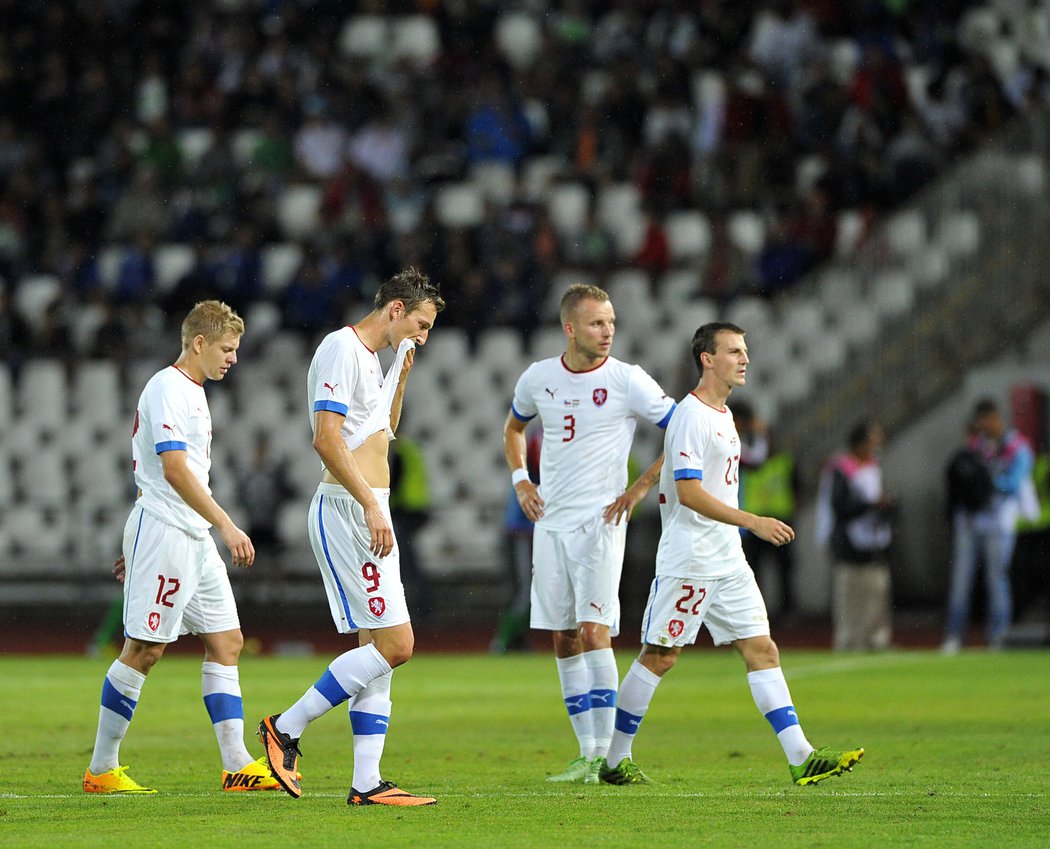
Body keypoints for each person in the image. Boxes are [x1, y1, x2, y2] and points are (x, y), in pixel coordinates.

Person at [603, 322, 863, 786]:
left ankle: (801, 756)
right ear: (707, 358)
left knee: (762, 649)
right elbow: (688, 491)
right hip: (691, 559)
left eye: (745, 350)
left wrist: (642, 486)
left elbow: (675, 464)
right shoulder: (692, 413)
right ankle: (613, 760)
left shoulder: (722, 415)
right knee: (660, 656)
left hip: (727, 560)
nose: (744, 359)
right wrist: (753, 520)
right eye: (734, 351)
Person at [257, 268, 443, 807]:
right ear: (395, 310)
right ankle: (284, 728)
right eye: (422, 325)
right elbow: (325, 437)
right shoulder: (341, 349)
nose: (424, 336)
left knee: (377, 646)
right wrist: (368, 503)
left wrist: (403, 368)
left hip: (369, 506)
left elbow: (385, 431)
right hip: (349, 508)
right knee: (397, 645)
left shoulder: (373, 359)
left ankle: (366, 782)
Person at [84, 300, 281, 795]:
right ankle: (102, 768)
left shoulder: (192, 391)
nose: (233, 358)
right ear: (198, 343)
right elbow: (172, 470)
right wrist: (228, 526)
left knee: (227, 641)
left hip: (188, 535)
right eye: (227, 348)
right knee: (145, 649)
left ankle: (236, 763)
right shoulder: (168, 387)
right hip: (170, 532)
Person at [503, 283, 676, 785]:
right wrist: (521, 480)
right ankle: (585, 752)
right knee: (563, 635)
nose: (608, 333)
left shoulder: (629, 380)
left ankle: (609, 754)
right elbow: (513, 428)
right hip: (549, 523)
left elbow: (684, 427)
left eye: (612, 323)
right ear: (570, 327)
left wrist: (640, 488)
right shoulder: (539, 378)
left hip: (600, 524)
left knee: (595, 631)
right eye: (598, 323)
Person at [943, 399, 1035, 654]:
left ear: (997, 419)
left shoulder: (1017, 447)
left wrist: (988, 481)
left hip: (999, 522)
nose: (983, 427)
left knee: (997, 580)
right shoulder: (976, 446)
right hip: (971, 521)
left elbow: (1015, 483)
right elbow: (959, 478)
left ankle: (997, 637)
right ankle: (953, 636)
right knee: (961, 580)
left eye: (987, 422)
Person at [824, 421, 894, 651]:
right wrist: (870, 505)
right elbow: (839, 505)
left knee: (876, 594)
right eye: (873, 440)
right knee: (850, 598)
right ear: (860, 443)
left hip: (874, 542)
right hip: (849, 544)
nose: (877, 445)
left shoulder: (873, 466)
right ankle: (848, 642)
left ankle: (876, 640)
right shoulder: (842, 468)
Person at [736, 404, 800, 624]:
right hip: (753, 523)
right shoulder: (746, 457)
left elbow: (797, 487)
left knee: (784, 571)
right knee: (754, 572)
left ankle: (787, 613)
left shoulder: (783, 462)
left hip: (780, 520)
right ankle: (754, 614)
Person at [491, 426, 542, 654]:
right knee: (525, 590)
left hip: (526, 532)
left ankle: (517, 639)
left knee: (528, 590)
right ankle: (503, 640)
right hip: (522, 534)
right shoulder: (530, 477)